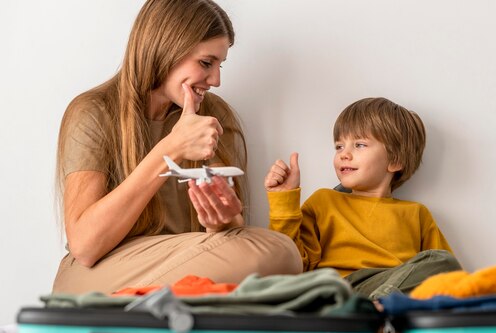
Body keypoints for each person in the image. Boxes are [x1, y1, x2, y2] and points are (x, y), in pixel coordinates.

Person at [53, 0, 302, 295]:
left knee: (277, 252)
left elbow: (226, 238)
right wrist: (171, 148)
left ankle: (151, 304)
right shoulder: (94, 112)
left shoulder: (214, 115)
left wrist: (222, 221)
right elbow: (85, 246)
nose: (216, 80)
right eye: (206, 63)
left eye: (220, 66)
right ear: (166, 49)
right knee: (278, 253)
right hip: (97, 272)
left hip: (184, 263)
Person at [264, 97, 462, 300]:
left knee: (443, 261)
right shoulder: (324, 201)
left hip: (391, 288)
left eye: (359, 145)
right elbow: (289, 264)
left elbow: (445, 274)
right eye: (339, 146)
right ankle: (376, 309)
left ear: (395, 160)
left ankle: (378, 305)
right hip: (337, 289)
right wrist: (284, 201)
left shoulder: (416, 213)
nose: (344, 154)